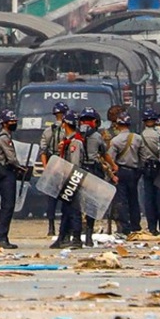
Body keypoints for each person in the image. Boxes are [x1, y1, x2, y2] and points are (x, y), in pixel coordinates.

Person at [79, 107, 117, 246]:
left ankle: (76, 235)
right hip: (93, 170)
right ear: (95, 121)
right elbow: (104, 154)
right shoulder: (97, 136)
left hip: (78, 170)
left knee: (77, 203)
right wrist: (113, 166)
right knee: (92, 203)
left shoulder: (74, 134)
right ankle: (88, 235)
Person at [50, 110, 85, 249]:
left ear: (65, 124)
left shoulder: (75, 142)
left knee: (74, 210)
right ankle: (62, 237)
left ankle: (76, 238)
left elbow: (74, 164)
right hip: (67, 179)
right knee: (66, 209)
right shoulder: (67, 141)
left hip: (73, 179)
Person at [0, 110, 26, 249]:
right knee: (7, 206)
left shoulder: (7, 137)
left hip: (7, 173)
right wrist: (21, 168)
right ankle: (1, 237)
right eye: (11, 122)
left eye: (14, 121)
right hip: (5, 173)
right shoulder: (4, 138)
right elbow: (11, 158)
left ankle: (3, 236)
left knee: (8, 206)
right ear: (4, 123)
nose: (13, 124)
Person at [107, 112, 143, 236]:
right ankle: (136, 226)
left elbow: (110, 159)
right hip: (134, 172)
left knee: (122, 200)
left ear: (117, 125)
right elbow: (142, 157)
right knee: (134, 199)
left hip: (121, 171)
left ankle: (125, 227)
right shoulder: (138, 138)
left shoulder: (115, 140)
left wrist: (112, 175)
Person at [39, 102, 69, 236]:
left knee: (51, 199)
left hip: (52, 165)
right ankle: (65, 227)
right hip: (65, 165)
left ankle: (51, 228)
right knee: (66, 198)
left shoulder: (47, 131)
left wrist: (46, 168)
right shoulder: (68, 130)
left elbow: (43, 151)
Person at [139, 108, 160, 236]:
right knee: (159, 197)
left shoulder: (141, 136)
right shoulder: (158, 135)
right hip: (158, 168)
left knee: (148, 198)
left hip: (146, 168)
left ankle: (152, 226)